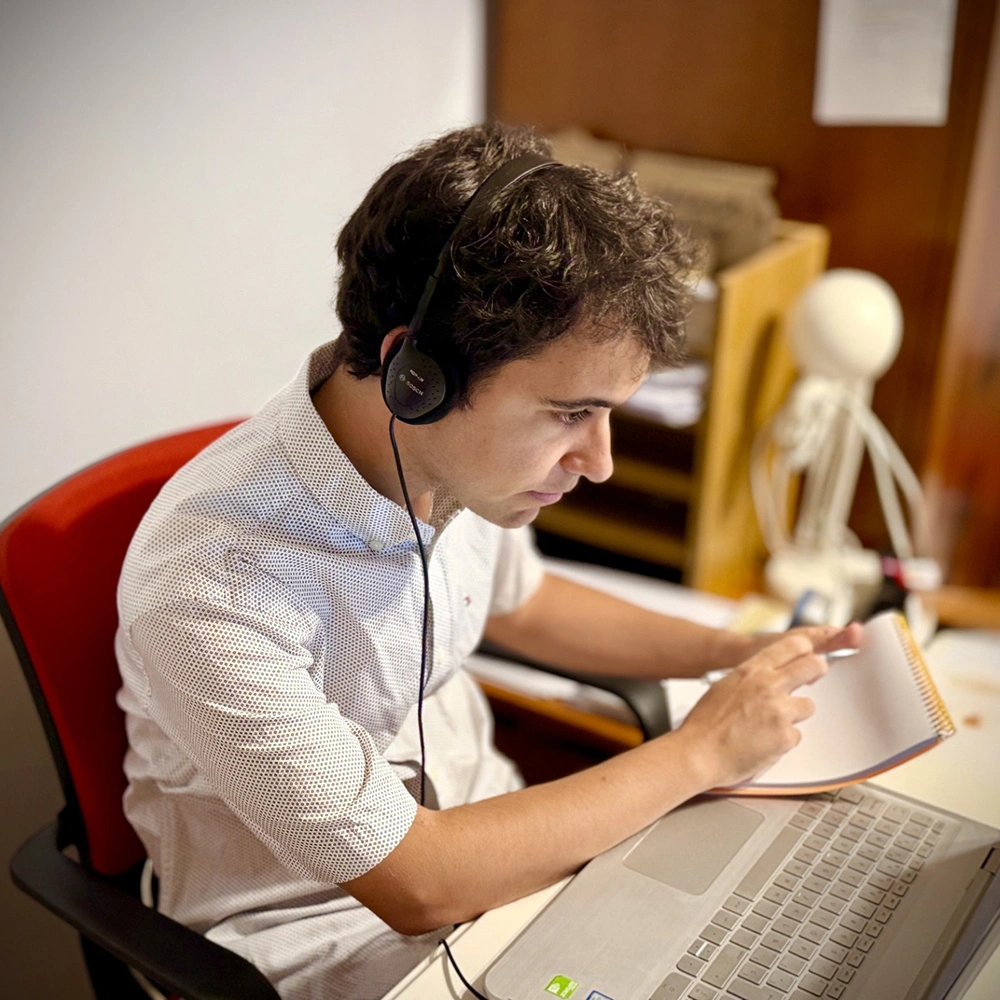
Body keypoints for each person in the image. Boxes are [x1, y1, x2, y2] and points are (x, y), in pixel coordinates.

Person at [115, 122, 860, 1000]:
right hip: (328, 947)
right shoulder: (209, 582)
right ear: (415, 376)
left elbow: (526, 604)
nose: (600, 460)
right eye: (568, 414)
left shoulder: (455, 461)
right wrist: (701, 752)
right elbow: (417, 881)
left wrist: (735, 653)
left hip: (515, 859)